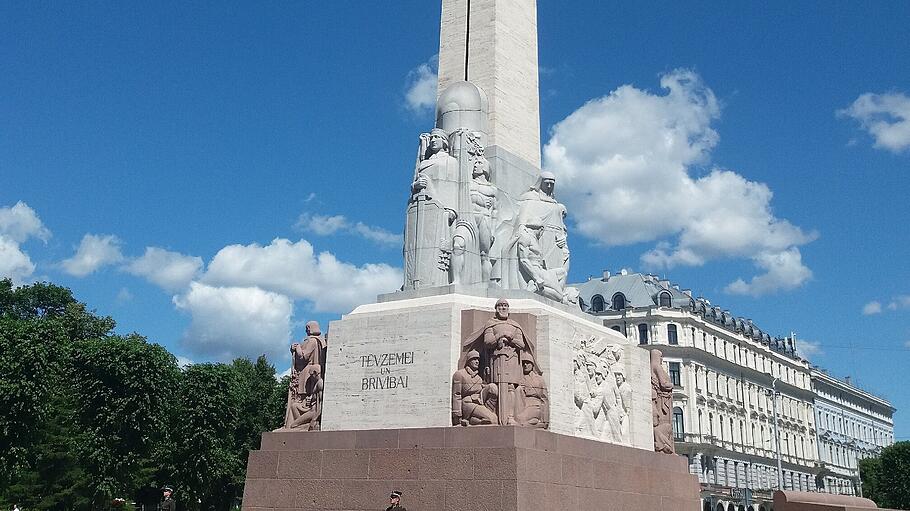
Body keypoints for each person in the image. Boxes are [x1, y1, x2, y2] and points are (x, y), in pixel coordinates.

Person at [452, 350, 499, 426]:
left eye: (478, 359)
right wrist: (457, 415)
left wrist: (487, 377)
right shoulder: (460, 374)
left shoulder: (479, 378)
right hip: (468, 404)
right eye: (474, 359)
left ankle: (473, 420)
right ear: (469, 361)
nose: (477, 361)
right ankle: (473, 421)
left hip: (478, 402)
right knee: (492, 420)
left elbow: (484, 390)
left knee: (492, 387)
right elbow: (457, 395)